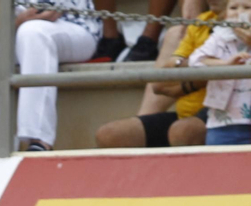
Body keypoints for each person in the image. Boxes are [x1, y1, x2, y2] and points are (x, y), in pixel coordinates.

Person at [0, 0, 98, 149]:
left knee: (32, 32)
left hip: (69, 25)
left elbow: (46, 11)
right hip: (2, 29)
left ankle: (38, 140)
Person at [95, 0, 216, 148]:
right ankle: (145, 118)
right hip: (188, 113)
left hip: (230, 118)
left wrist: (189, 73)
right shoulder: (201, 23)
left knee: (183, 131)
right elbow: (160, 86)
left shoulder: (241, 26)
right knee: (111, 135)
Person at [189, 0, 251, 144]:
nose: (239, 12)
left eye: (247, 7)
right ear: (225, 14)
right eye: (234, 7)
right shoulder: (219, 37)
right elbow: (195, 61)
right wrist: (224, 64)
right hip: (223, 124)